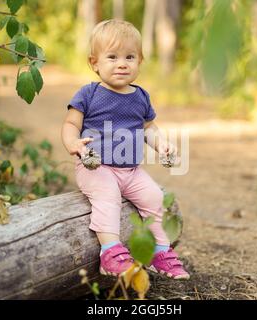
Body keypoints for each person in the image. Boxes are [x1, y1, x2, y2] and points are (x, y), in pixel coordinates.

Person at [61, 20, 189, 280]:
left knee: (154, 197)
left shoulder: (140, 96)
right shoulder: (89, 94)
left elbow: (148, 127)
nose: (122, 63)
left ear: (140, 61)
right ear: (94, 63)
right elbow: (70, 124)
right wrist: (72, 143)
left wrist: (160, 143)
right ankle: (110, 253)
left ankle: (160, 252)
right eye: (112, 57)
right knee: (107, 195)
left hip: (130, 170)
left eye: (130, 57)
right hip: (96, 167)